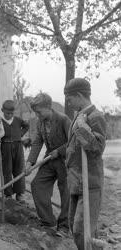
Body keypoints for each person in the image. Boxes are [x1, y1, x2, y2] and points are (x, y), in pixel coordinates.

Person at [64, 78, 106, 250]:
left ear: (80, 95)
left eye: (70, 98)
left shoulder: (95, 117)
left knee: (82, 230)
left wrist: (82, 127)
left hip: (90, 182)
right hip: (76, 182)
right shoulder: (78, 116)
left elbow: (96, 147)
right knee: (75, 227)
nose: (68, 102)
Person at [24, 93, 71, 236]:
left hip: (65, 160)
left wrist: (60, 151)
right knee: (37, 185)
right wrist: (29, 162)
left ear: (49, 107)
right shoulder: (40, 122)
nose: (37, 115)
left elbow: (73, 142)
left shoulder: (63, 120)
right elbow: (38, 142)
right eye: (35, 112)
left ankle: (64, 226)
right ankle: (48, 221)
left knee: (66, 192)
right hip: (50, 159)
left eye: (39, 112)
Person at [1, 100, 29, 202]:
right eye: (7, 113)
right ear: (2, 110)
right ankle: (8, 194)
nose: (9, 115)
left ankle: (20, 193)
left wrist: (20, 134)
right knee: (7, 171)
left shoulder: (17, 120)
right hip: (5, 146)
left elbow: (26, 126)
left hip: (18, 146)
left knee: (19, 169)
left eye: (12, 113)